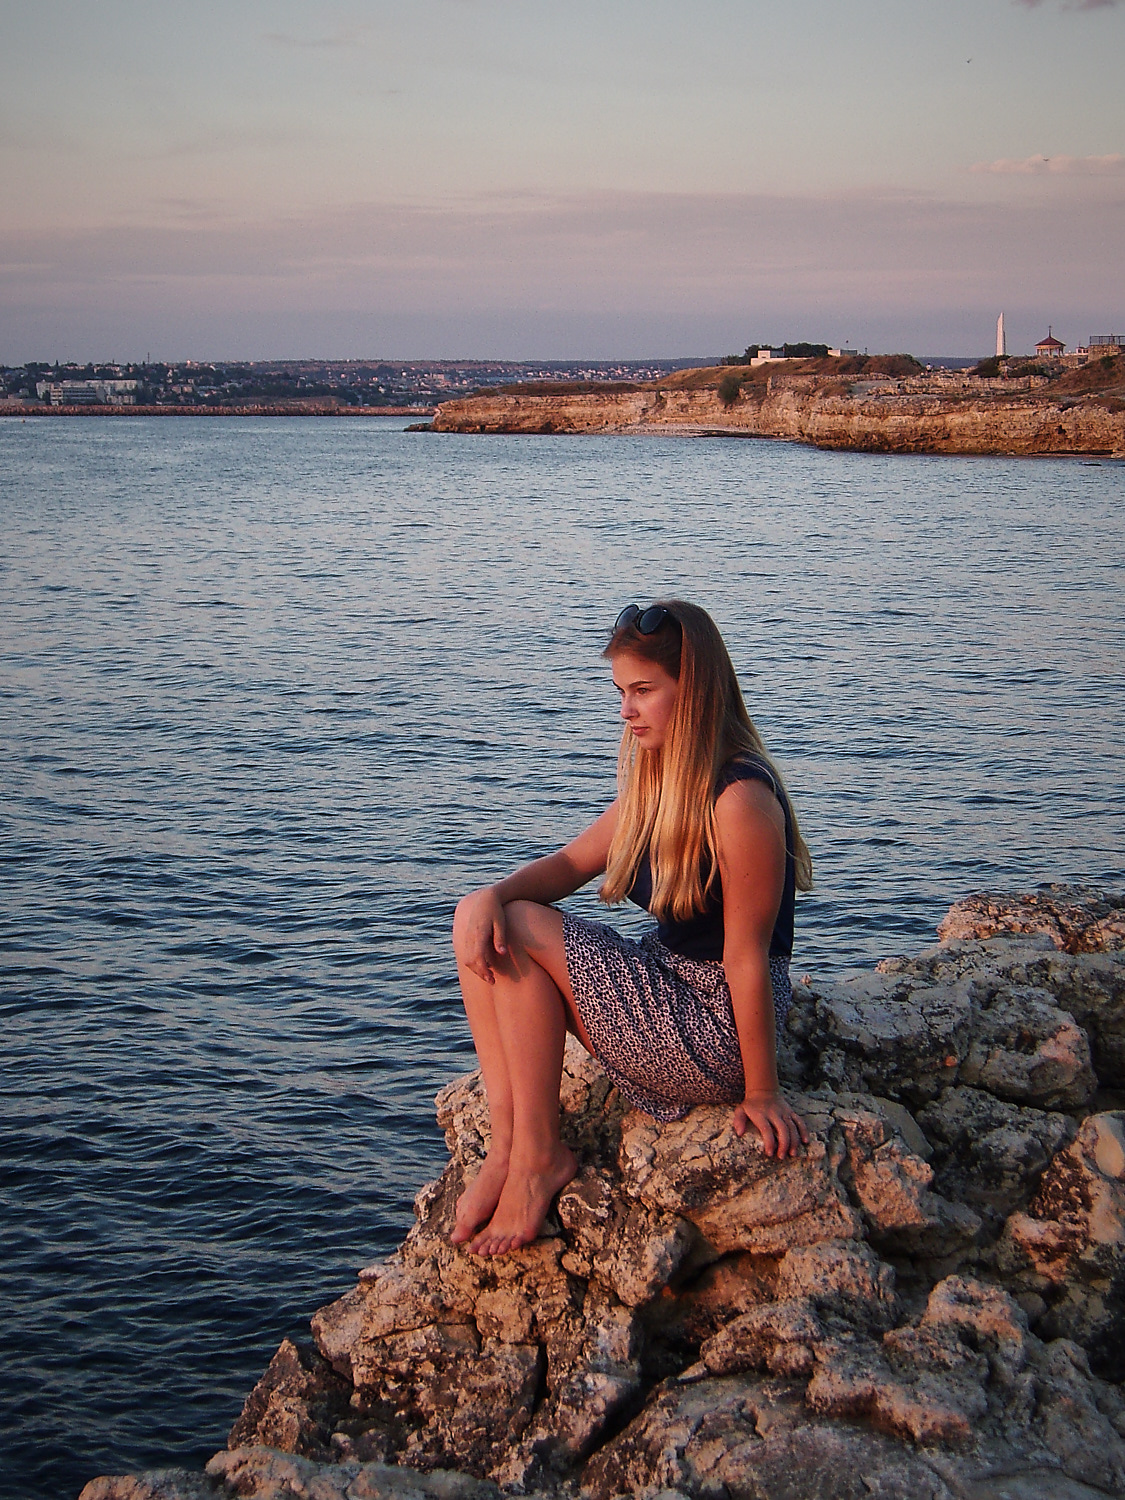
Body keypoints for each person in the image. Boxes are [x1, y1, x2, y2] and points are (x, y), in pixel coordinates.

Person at [451, 600, 812, 1257]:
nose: (626, 710)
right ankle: (510, 1147)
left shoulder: (740, 800)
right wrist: (485, 896)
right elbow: (569, 865)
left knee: (517, 926)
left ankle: (538, 1157)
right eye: (621, 692)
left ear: (694, 690)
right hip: (668, 983)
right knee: (484, 920)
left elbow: (746, 958)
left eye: (643, 691)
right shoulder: (660, 778)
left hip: (717, 1025)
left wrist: (762, 1090)